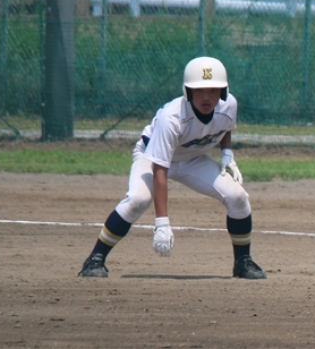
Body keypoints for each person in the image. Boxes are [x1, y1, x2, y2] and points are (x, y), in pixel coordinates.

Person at [78, 56, 266, 279]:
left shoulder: (229, 105)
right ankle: (95, 258)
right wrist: (162, 223)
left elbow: (224, 126)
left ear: (223, 92)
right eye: (199, 91)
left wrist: (226, 153)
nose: (207, 97)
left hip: (192, 158)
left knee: (238, 197)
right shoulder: (172, 118)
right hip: (151, 157)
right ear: (188, 92)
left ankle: (243, 262)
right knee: (138, 200)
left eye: (214, 90)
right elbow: (160, 170)